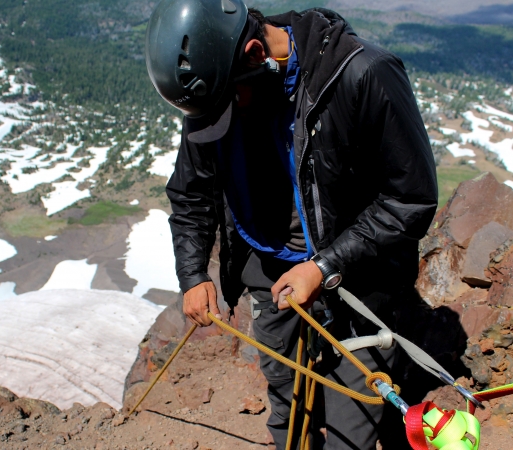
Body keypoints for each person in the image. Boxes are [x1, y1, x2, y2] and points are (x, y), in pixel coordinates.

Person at [145, 0, 438, 448]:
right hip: (267, 269)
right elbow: (191, 192)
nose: (222, 118)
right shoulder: (219, 87)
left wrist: (323, 266)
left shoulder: (363, 74)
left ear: (256, 55)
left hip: (358, 278)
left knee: (350, 429)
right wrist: (192, 274)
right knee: (285, 404)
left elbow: (411, 198)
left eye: (229, 105)